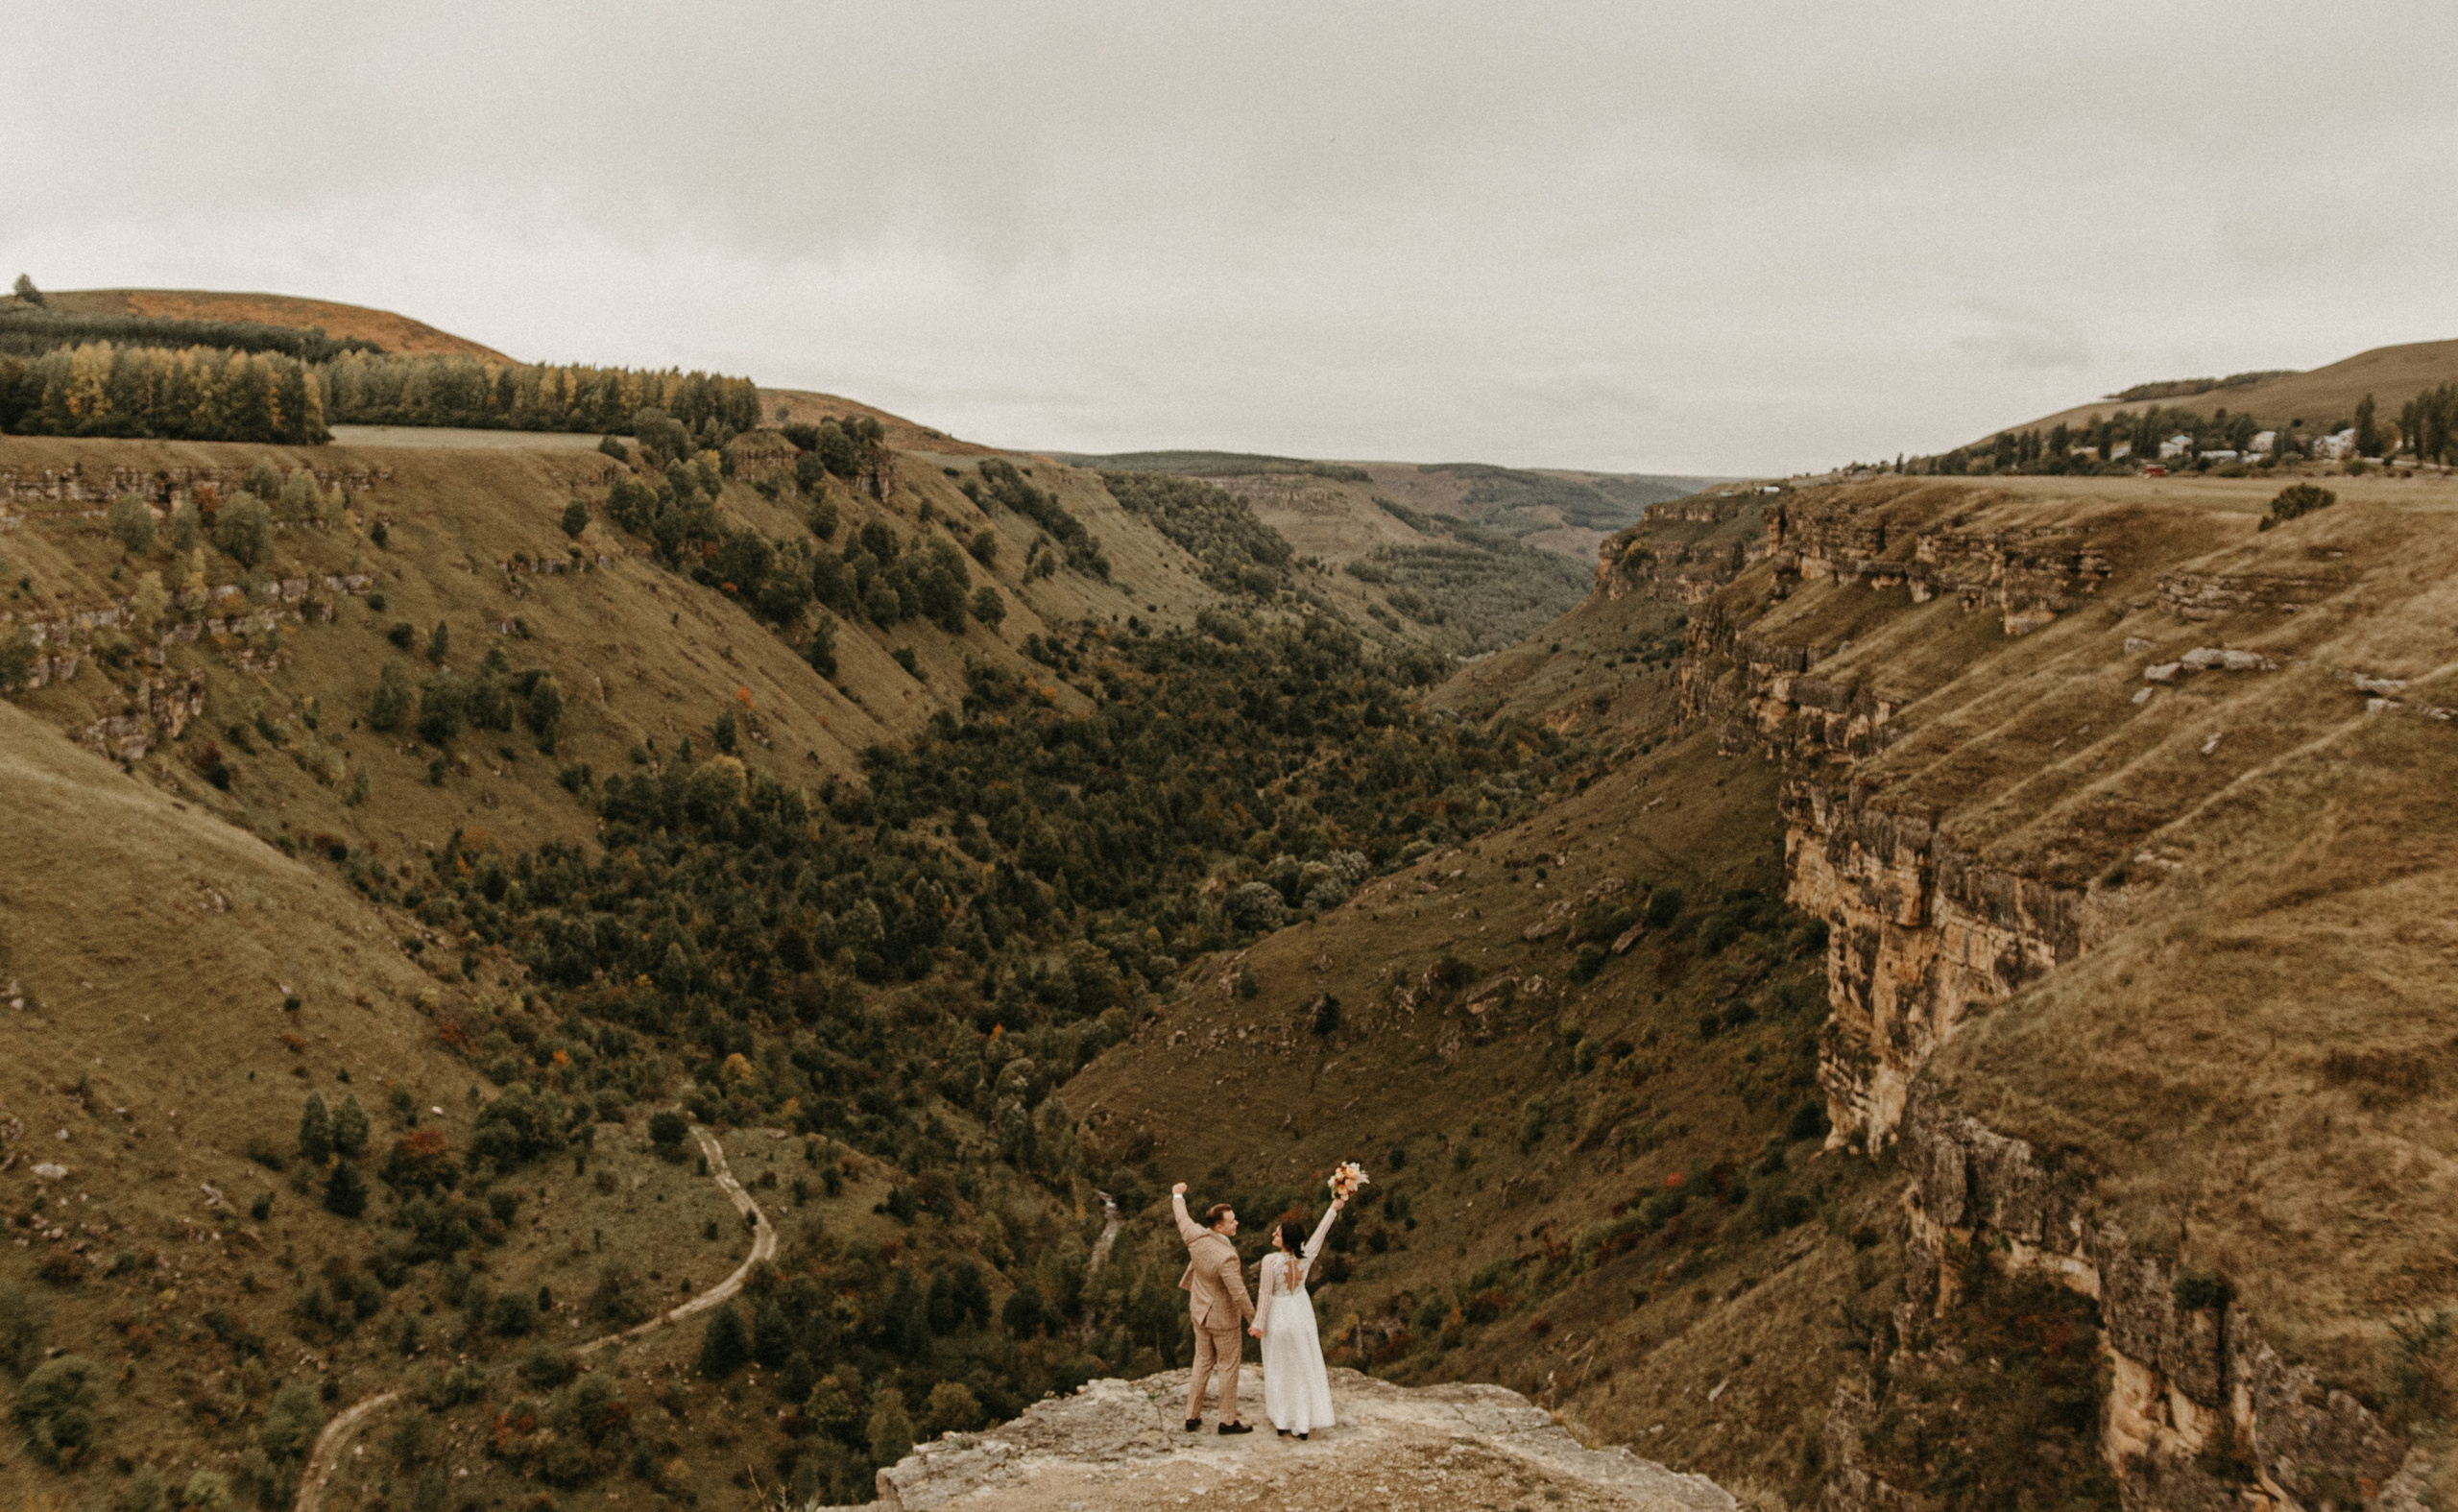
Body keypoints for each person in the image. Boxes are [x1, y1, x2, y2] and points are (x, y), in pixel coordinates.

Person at [1249, 1195, 1346, 1438]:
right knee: (1302, 1366)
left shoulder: (1270, 1262)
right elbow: (1320, 1234)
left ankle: (1283, 1420)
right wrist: (1333, 1208)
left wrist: (1258, 1324)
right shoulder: (1306, 1255)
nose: (1273, 1234)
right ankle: (1302, 1424)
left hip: (1279, 1315)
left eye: (1278, 1233)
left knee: (1279, 1367)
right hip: (1301, 1313)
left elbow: (1265, 1293)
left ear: (1286, 1241)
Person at [1170, 1181, 1255, 1434]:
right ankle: (1227, 1420)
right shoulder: (1226, 1257)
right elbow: (1238, 1293)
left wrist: (1177, 1195)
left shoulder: (1194, 1235)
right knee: (1228, 1366)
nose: (1237, 1223)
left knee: (1202, 1362)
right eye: (1232, 1221)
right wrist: (1255, 1320)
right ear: (1219, 1226)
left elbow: (1181, 1217)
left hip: (1199, 1312)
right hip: (1223, 1319)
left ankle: (1192, 1416)